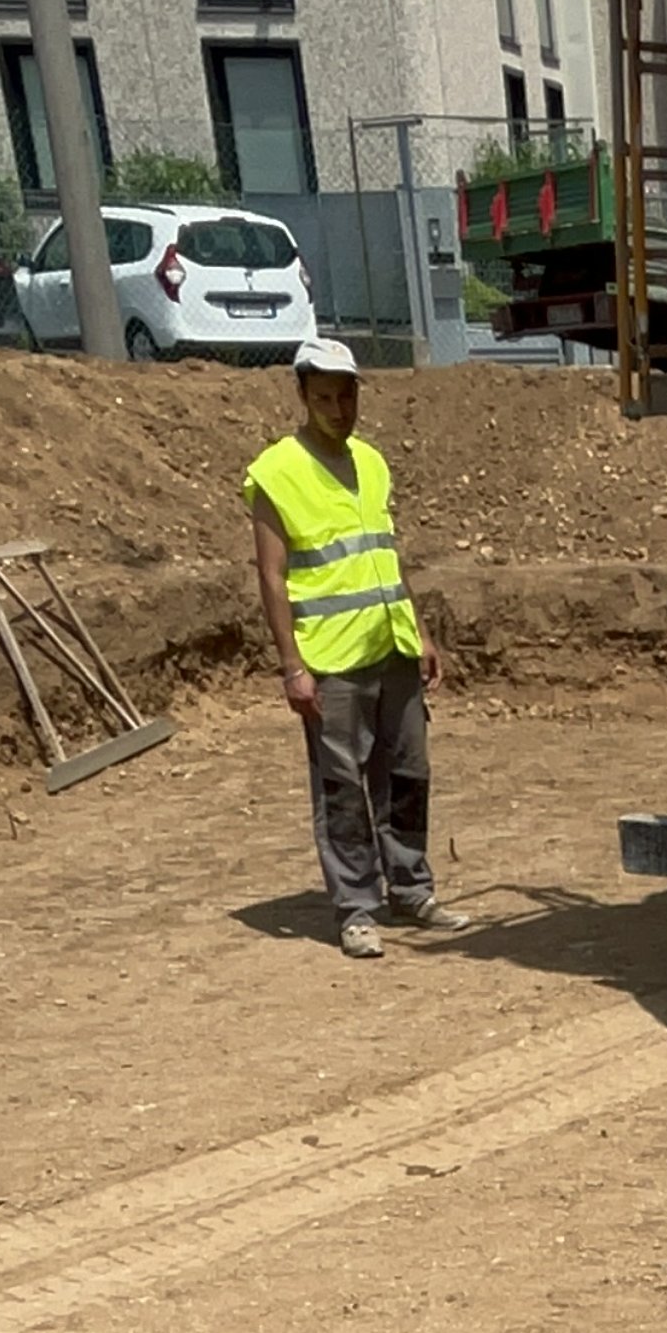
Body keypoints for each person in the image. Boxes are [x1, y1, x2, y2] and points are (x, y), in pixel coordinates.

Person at [245, 339, 463, 959]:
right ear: (302, 396)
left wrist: (418, 631)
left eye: (347, 397)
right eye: (325, 398)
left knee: (408, 774)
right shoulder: (276, 472)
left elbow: (385, 553)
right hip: (330, 660)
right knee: (342, 788)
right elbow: (271, 576)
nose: (339, 410)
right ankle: (357, 907)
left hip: (390, 644)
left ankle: (411, 887)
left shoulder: (370, 462)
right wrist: (292, 666)